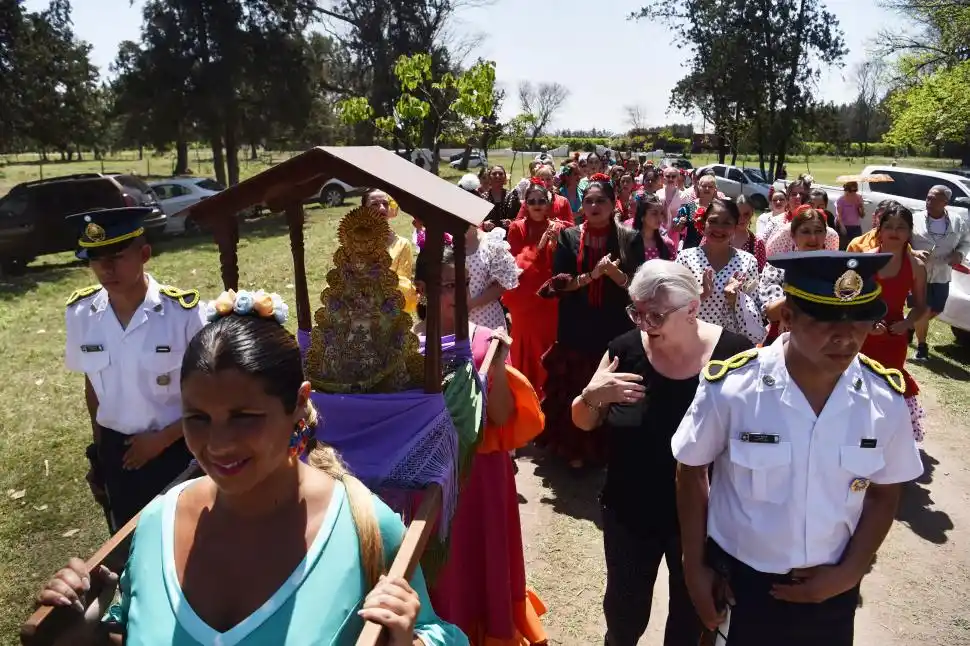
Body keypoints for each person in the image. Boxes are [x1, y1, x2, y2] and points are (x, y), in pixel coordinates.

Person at [39, 291, 467, 645]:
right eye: (198, 419)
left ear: (299, 403)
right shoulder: (156, 524)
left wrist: (409, 639)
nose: (218, 444)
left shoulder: (364, 528)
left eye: (245, 416)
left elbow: (434, 633)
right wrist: (85, 628)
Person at [672, 251, 924, 646]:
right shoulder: (735, 388)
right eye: (825, 319)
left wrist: (851, 571)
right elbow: (691, 470)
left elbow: (885, 492)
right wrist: (693, 566)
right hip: (740, 584)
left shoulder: (884, 398)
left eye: (860, 318)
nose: (845, 335)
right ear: (787, 317)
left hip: (833, 585)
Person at [572, 260, 752, 646]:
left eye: (655, 315)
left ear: (692, 309)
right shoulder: (623, 350)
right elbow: (583, 420)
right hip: (629, 512)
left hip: (704, 519)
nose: (643, 324)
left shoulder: (734, 357)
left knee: (689, 621)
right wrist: (592, 396)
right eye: (636, 311)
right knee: (624, 614)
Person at [413, 246, 548, 646]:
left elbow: (504, 417)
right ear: (422, 289)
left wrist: (500, 366)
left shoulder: (486, 340)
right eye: (447, 285)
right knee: (444, 568)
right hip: (430, 476)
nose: (458, 293)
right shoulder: (405, 345)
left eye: (463, 284)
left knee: (484, 559)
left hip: (483, 476)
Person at [64, 207, 206, 533]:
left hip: (179, 448)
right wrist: (100, 452)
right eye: (96, 258)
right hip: (119, 452)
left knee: (184, 537)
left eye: (117, 255)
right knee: (128, 542)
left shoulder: (183, 314)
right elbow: (92, 386)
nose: (106, 268)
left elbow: (212, 392)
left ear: (144, 254)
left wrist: (162, 440)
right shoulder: (81, 314)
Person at [538, 174, 638, 469]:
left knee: (609, 387)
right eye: (589, 200)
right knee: (576, 385)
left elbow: (638, 285)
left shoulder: (628, 238)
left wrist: (614, 275)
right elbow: (559, 284)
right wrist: (593, 275)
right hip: (576, 325)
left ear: (613, 205)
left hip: (613, 327)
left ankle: (607, 450)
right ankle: (574, 449)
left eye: (601, 201)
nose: (594, 206)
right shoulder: (569, 237)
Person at [861, 203, 928, 441]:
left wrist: (907, 324)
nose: (894, 231)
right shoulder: (865, 260)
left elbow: (921, 306)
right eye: (888, 226)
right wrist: (867, 323)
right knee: (860, 384)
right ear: (879, 229)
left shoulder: (917, 267)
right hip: (862, 334)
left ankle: (888, 441)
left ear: (909, 232)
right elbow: (850, 299)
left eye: (901, 227)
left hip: (894, 336)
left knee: (889, 384)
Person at [504, 180, 567, 398]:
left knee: (549, 345)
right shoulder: (517, 228)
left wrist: (558, 246)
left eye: (542, 201)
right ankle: (525, 395)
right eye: (532, 201)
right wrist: (539, 248)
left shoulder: (559, 228)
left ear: (549, 204)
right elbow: (512, 267)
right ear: (526, 204)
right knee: (525, 346)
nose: (537, 205)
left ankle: (549, 395)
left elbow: (566, 266)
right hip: (523, 300)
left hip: (550, 303)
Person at [675, 199, 765, 345]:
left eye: (726, 223)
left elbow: (756, 310)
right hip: (691, 341)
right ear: (704, 223)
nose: (719, 228)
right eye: (713, 221)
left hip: (731, 345)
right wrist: (701, 295)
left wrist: (736, 299)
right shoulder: (685, 258)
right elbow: (671, 304)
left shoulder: (748, 261)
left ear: (736, 227)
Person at [909, 184, 970, 360]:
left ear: (945, 202)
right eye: (928, 197)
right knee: (923, 309)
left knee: (937, 309)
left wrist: (959, 254)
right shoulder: (915, 218)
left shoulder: (957, 221)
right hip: (920, 272)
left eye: (934, 198)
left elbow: (965, 242)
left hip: (943, 272)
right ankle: (922, 347)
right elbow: (905, 241)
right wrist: (914, 252)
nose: (929, 201)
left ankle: (909, 325)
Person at [759, 207, 829, 346]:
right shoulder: (777, 266)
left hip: (824, 343)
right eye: (805, 232)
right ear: (793, 236)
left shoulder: (835, 269)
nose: (813, 238)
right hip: (783, 344)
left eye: (818, 231)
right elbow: (772, 312)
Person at [363, 188, 418, 314]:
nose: (382, 208)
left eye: (385, 204)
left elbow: (404, 287)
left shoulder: (402, 244)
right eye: (375, 205)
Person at [464, 224, 520, 330]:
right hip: (451, 317)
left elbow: (502, 284)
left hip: (486, 318)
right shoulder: (444, 241)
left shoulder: (490, 242)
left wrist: (472, 304)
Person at [481, 165, 521, 232]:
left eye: (500, 174)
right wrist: (483, 224)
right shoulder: (482, 198)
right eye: (494, 174)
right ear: (489, 178)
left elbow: (520, 218)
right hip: (487, 237)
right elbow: (475, 221)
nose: (497, 176)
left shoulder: (513, 196)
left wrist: (511, 222)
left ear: (505, 178)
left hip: (509, 236)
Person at [836, 182, 865, 248]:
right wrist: (842, 227)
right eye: (852, 191)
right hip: (844, 226)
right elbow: (839, 215)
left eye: (855, 190)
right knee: (844, 247)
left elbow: (862, 215)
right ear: (847, 190)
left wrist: (861, 207)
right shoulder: (841, 200)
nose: (854, 193)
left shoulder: (858, 198)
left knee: (856, 247)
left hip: (856, 227)